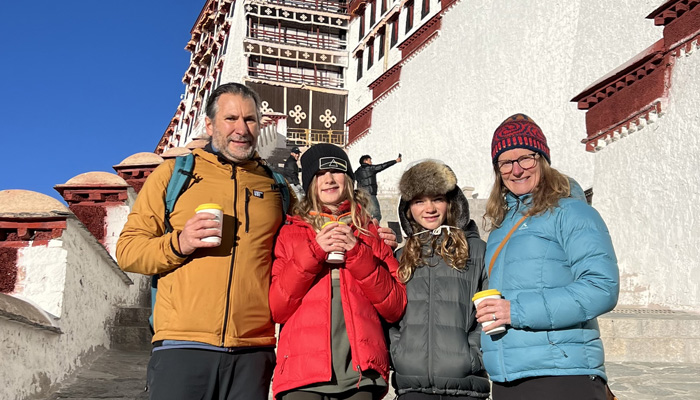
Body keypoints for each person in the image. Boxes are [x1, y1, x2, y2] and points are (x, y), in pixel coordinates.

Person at [117, 83, 291, 400]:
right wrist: (179, 243)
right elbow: (128, 252)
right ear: (209, 125)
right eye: (231, 118)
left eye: (250, 120)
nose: (242, 129)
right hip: (182, 346)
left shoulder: (276, 188)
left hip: (253, 351)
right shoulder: (175, 174)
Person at [476, 114, 619, 400]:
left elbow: (602, 288)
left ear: (541, 158)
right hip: (507, 376)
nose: (516, 170)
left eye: (525, 158)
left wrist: (514, 311)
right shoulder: (501, 227)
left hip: (561, 374)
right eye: (506, 162)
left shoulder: (572, 212)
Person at [268, 143, 407, 400]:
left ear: (349, 178)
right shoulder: (290, 233)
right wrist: (313, 251)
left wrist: (357, 253)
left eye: (336, 171)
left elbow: (395, 307)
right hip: (301, 377)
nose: (329, 179)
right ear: (310, 182)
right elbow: (277, 308)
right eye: (319, 174)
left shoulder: (370, 232)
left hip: (361, 376)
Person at [389, 160, 490, 400]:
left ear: (452, 203)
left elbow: (490, 311)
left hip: (465, 385)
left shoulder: (477, 251)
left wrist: (472, 355)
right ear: (408, 209)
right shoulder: (401, 256)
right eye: (419, 201)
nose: (429, 208)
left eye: (437, 199)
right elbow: (389, 315)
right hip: (412, 387)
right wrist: (399, 352)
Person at [354, 154, 402, 222]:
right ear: (365, 161)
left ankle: (366, 228)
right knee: (376, 214)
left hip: (361, 195)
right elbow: (383, 166)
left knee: (366, 214)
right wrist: (395, 161)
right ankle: (374, 229)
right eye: (369, 160)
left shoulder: (357, 171)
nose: (371, 162)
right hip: (370, 194)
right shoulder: (370, 169)